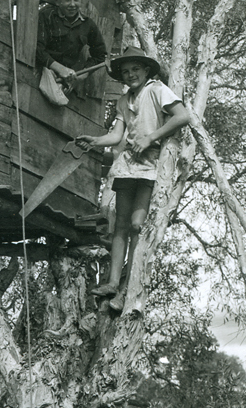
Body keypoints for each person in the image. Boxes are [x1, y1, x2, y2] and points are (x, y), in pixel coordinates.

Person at [78, 46, 190, 311]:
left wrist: (151, 137)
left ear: (147, 70)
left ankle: (131, 285)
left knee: (138, 225)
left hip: (152, 164)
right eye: (126, 72)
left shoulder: (157, 89)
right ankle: (113, 282)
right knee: (121, 225)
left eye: (135, 69)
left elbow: (183, 116)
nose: (130, 75)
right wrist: (95, 141)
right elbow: (116, 136)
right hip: (129, 164)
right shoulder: (123, 100)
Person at [36, 0, 107, 86]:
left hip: (67, 84)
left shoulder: (88, 25)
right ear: (57, 0)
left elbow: (100, 55)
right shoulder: (46, 16)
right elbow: (37, 49)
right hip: (41, 77)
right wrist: (60, 69)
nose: (72, 4)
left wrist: (83, 74)